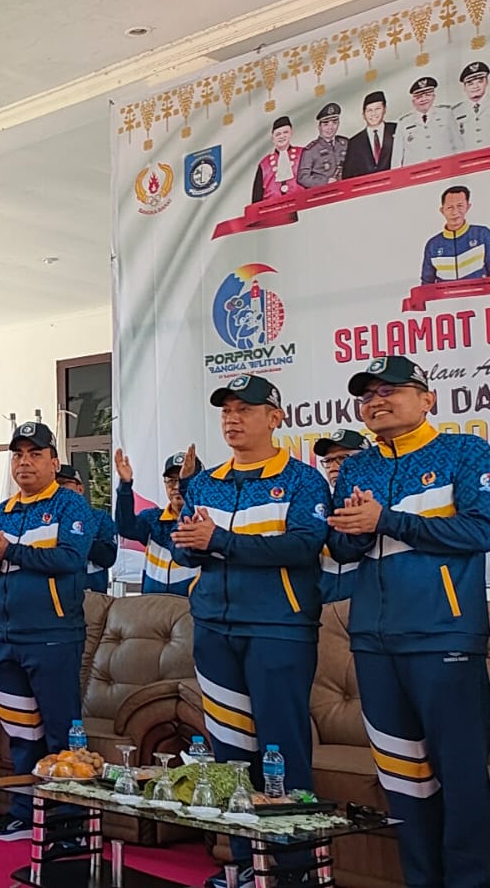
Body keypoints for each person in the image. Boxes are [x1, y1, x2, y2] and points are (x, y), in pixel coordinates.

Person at [326, 356, 490, 888]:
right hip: (373, 640)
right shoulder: (358, 466)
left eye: (390, 390)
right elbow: (339, 545)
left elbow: (483, 529)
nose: (376, 401)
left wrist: (388, 520)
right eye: (367, 395)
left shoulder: (463, 451)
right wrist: (354, 530)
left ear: (427, 399)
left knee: (461, 775)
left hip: (443, 635)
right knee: (402, 778)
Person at [171, 375, 329, 888]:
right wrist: (192, 544)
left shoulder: (304, 480)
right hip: (214, 627)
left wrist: (221, 539)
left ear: (275, 417)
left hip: (279, 627)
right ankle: (240, 863)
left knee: (282, 750)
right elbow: (187, 549)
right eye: (226, 411)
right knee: (227, 753)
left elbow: (303, 547)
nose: (233, 419)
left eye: (246, 409)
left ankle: (293, 869)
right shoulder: (206, 482)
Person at [0, 422, 92, 842]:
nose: (25, 462)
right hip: (4, 634)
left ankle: (69, 822)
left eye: (35, 454)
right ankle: (25, 812)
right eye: (18, 454)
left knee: (61, 734)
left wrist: (10, 551)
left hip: (53, 635)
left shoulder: (72, 507)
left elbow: (72, 559)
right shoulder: (0, 511)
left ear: (54, 462)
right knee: (20, 732)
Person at [114, 450, 202, 596]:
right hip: (153, 606)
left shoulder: (206, 521)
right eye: (171, 480)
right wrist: (125, 486)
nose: (176, 487)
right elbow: (125, 528)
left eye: (183, 479)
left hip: (191, 608)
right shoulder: (153, 518)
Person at [312, 429, 371, 604]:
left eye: (343, 458)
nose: (334, 466)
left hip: (372, 605)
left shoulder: (382, 499)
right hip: (325, 607)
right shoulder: (317, 504)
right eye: (328, 461)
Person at [420, 185, 490, 284]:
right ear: (442, 211)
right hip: (446, 299)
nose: (455, 212)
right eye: (450, 207)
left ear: (467, 207)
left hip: (480, 297)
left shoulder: (482, 234)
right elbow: (427, 283)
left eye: (460, 206)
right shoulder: (433, 245)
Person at [57, 464, 117, 593]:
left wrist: (76, 537)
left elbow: (108, 557)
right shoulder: (43, 519)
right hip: (54, 596)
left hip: (91, 597)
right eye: (53, 485)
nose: (58, 489)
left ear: (80, 489)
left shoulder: (99, 517)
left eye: (63, 483)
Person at [395, 76, 461, 168]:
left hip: (446, 170)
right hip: (417, 175)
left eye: (427, 95)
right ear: (413, 101)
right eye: (419, 97)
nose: (423, 99)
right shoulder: (404, 123)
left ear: (433, 96)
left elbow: (458, 145)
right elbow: (397, 157)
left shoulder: (446, 114)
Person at [342, 91, 397, 178]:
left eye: (377, 109)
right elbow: (348, 175)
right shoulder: (355, 142)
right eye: (369, 110)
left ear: (385, 109)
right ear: (363, 114)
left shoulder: (397, 130)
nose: (373, 114)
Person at [251, 116, 304, 202]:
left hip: (302, 206)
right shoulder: (264, 164)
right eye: (278, 134)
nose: (282, 136)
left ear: (291, 133)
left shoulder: (303, 153)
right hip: (273, 210)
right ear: (273, 138)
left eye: (285, 132)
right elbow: (257, 197)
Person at [296, 103, 349, 188]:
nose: (330, 128)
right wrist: (325, 182)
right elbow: (303, 178)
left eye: (334, 123)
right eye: (326, 124)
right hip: (324, 193)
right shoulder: (311, 150)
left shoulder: (345, 143)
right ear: (319, 126)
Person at [457, 61, 490, 150]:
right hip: (470, 160)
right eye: (470, 83)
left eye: (480, 81)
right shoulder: (457, 112)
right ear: (464, 87)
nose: (475, 86)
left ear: (486, 82)